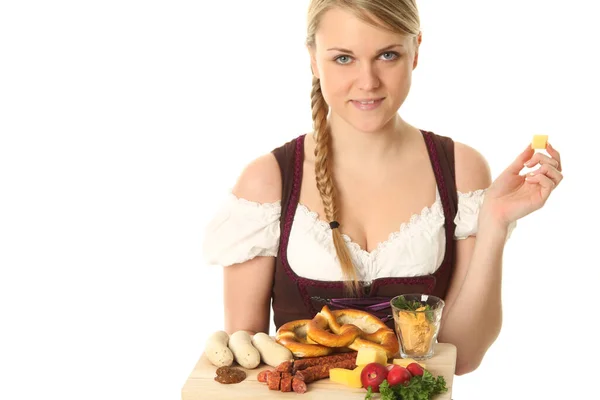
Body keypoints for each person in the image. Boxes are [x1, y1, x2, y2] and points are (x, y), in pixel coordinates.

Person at [202, 0, 563, 376]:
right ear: (313, 58)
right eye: (343, 58)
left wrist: (494, 224)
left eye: (387, 55)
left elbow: (464, 355)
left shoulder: (461, 170)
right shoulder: (267, 181)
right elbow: (243, 362)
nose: (368, 81)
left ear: (416, 51)